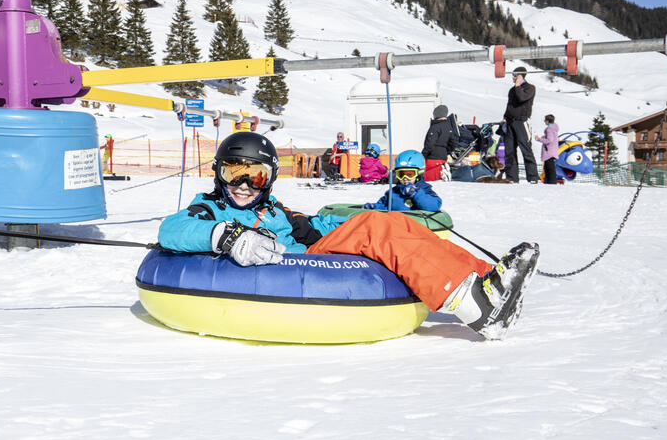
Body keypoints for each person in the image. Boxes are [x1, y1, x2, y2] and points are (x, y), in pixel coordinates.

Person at [157, 132, 540, 339]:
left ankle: (489, 279)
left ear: (269, 179)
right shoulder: (210, 209)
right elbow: (171, 229)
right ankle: (476, 307)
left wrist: (364, 216)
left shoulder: (274, 211)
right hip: (291, 271)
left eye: (253, 175)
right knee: (378, 229)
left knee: (395, 224)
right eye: (232, 173)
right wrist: (224, 235)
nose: (242, 185)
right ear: (218, 176)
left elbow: (313, 230)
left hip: (304, 254)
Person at [363, 149, 442, 211]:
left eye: (410, 174)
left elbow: (434, 205)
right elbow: (384, 205)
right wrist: (374, 207)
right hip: (396, 226)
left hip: (414, 226)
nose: (405, 178)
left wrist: (415, 193)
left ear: (419, 174)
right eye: (401, 174)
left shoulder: (424, 189)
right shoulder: (393, 192)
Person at [502, 67, 539, 183]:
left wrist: (518, 86)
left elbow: (521, 98)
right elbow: (510, 105)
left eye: (515, 75)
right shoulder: (512, 90)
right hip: (510, 122)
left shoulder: (530, 88)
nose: (512, 77)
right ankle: (512, 177)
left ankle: (532, 177)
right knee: (509, 150)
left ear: (520, 76)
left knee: (526, 149)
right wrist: (505, 117)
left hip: (521, 122)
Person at [422, 104, 456, 181]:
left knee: (430, 180)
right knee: (440, 179)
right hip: (443, 158)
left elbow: (430, 144)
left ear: (436, 114)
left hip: (432, 158)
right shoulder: (448, 127)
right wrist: (446, 152)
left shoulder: (435, 127)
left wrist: (423, 155)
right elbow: (453, 143)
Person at [535, 114, 559, 184]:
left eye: (545, 120)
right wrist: (544, 137)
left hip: (549, 151)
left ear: (548, 121)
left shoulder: (549, 129)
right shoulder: (554, 128)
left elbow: (549, 140)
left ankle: (551, 182)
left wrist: (539, 139)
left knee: (549, 169)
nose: (544, 121)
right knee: (548, 168)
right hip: (553, 151)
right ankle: (548, 182)